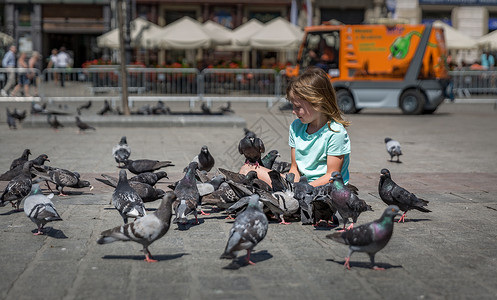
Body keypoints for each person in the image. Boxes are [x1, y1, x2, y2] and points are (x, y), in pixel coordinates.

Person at [240, 66, 351, 187]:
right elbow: (295, 169)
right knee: (248, 169)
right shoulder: (296, 127)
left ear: (318, 103)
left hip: (325, 187)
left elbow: (331, 175)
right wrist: (291, 184)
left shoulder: (335, 132)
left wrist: (302, 189)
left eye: (298, 107)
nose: (293, 111)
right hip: (300, 184)